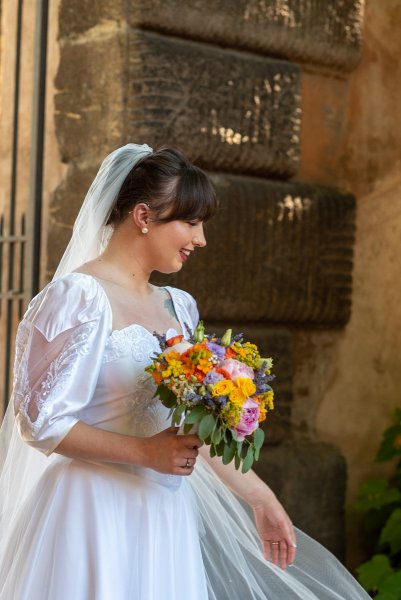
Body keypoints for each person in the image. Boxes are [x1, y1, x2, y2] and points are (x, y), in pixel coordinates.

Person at [0, 143, 369, 599]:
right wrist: (145, 454)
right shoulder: (77, 297)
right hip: (90, 513)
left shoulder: (179, 307)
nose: (201, 239)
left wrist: (261, 498)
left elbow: (193, 431)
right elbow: (39, 423)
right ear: (143, 216)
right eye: (190, 222)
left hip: (162, 516)